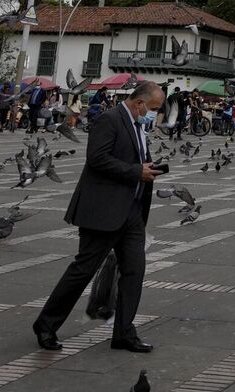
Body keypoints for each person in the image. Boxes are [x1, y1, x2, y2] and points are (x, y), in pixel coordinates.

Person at [32, 79, 165, 353]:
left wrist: (147, 168)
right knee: (83, 270)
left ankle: (124, 333)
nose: (154, 114)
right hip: (103, 210)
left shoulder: (138, 125)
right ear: (140, 103)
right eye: (153, 108)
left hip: (132, 210)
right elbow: (97, 158)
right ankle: (46, 325)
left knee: (134, 271)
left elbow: (134, 158)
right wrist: (135, 171)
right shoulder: (110, 119)